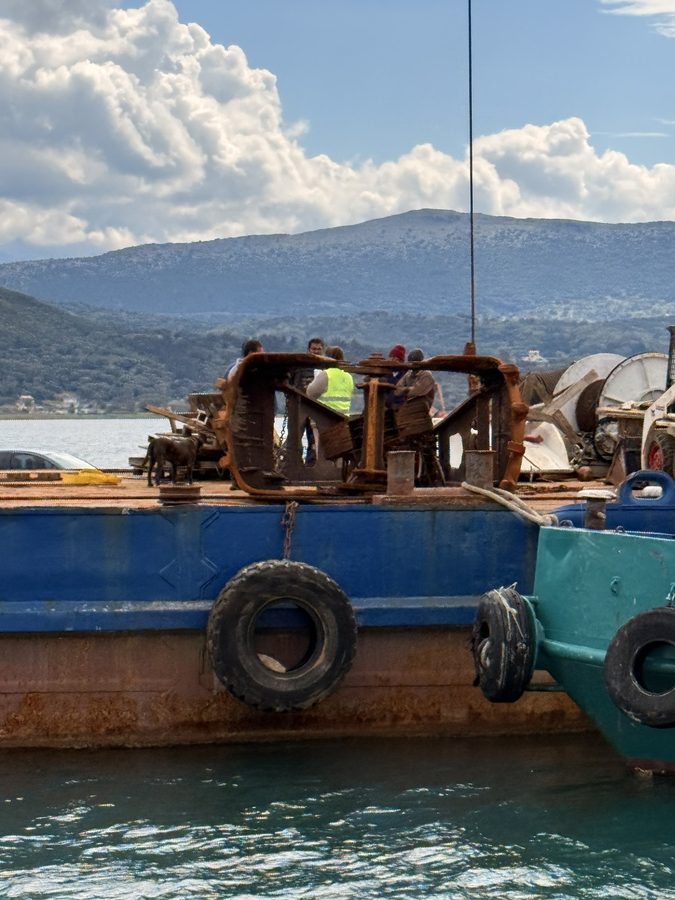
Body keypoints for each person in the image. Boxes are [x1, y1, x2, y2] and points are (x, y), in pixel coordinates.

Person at [291, 337, 325, 464]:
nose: (316, 352)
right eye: (313, 349)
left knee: (313, 439)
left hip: (315, 408)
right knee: (295, 437)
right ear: (308, 349)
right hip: (298, 406)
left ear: (322, 350)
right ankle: (293, 463)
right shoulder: (299, 366)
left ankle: (310, 464)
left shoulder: (325, 367)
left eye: (318, 349)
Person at [307, 346, 354, 413]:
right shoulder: (348, 376)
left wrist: (309, 384)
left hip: (327, 415)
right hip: (343, 415)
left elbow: (310, 393)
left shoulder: (326, 374)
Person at [385, 344, 406, 409]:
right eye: (391, 357)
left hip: (399, 408)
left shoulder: (405, 375)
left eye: (395, 358)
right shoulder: (384, 372)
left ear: (401, 361)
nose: (392, 360)